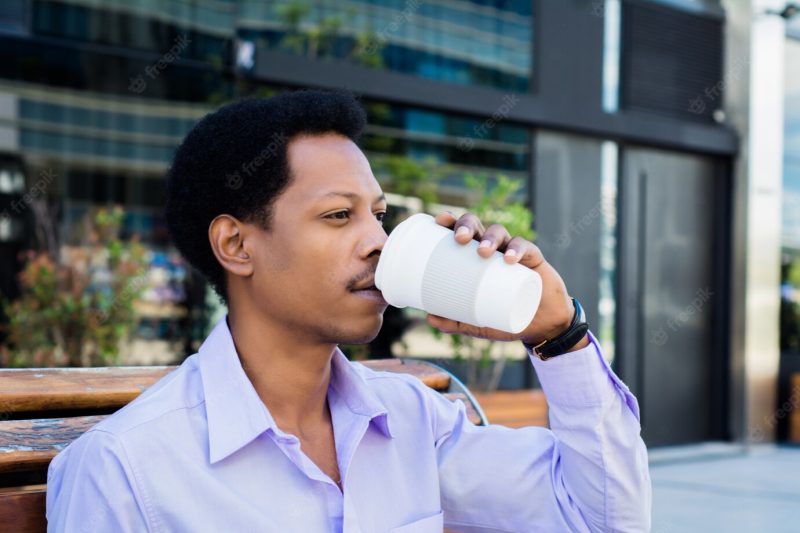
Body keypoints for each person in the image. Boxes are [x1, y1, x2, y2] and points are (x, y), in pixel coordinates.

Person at [46, 90, 651, 532]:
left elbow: (601, 520)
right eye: (339, 215)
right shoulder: (125, 468)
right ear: (236, 245)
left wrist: (557, 334)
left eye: (378, 214)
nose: (377, 241)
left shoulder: (414, 421)